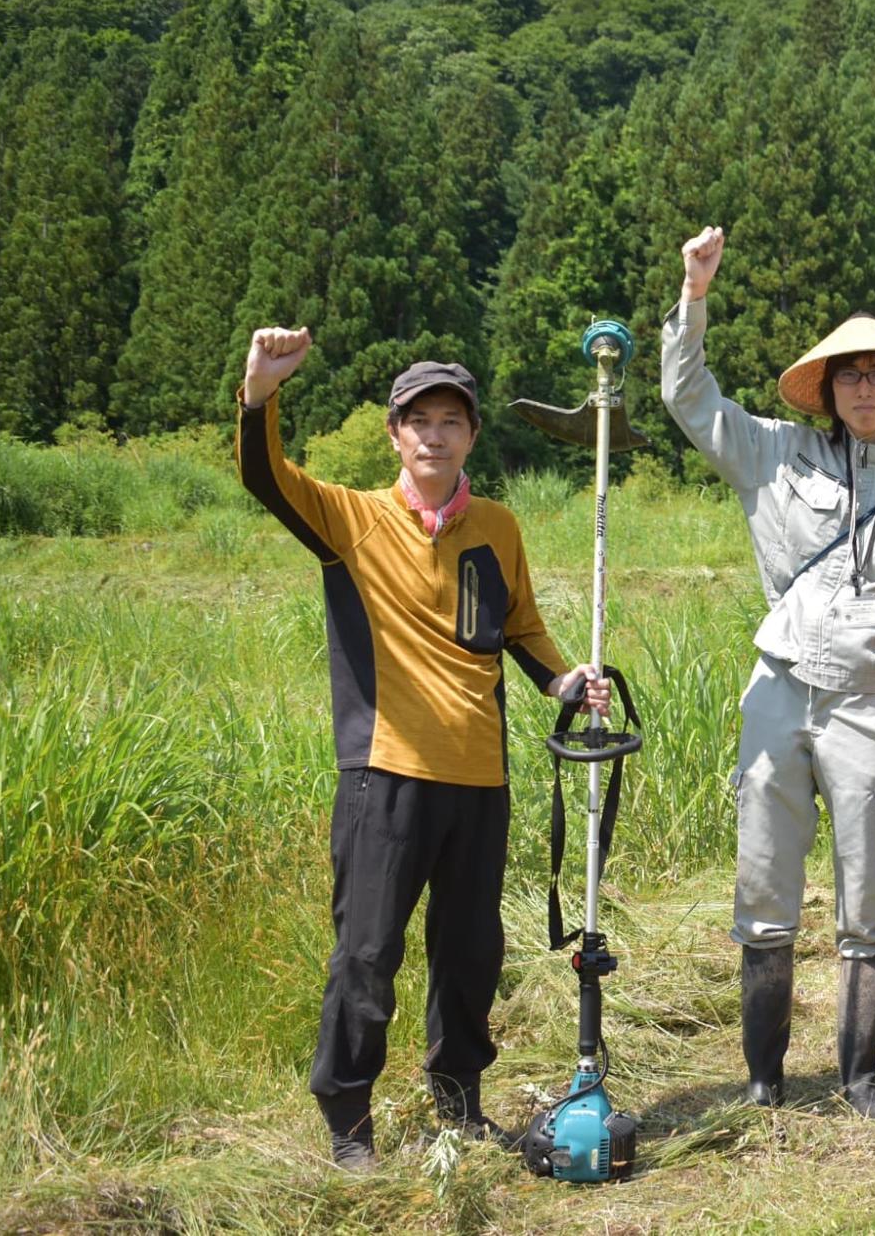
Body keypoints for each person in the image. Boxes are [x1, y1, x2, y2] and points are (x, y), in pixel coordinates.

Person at [237, 331, 611, 1170]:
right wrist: (260, 394)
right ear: (394, 433)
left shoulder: (498, 528)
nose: (435, 435)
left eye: (451, 421)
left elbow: (519, 629)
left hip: (481, 777)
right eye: (419, 421)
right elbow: (268, 479)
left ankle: (459, 1100)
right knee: (367, 954)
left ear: (472, 435)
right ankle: (348, 1120)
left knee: (471, 953)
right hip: (386, 774)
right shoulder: (351, 520)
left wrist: (565, 681)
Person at [659, 226, 875, 1118]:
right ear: (827, 390)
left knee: (870, 892)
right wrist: (695, 292)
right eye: (849, 375)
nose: (864, 387)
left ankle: (861, 1071)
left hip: (871, 705)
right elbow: (687, 394)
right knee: (763, 882)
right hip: (779, 691)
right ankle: (763, 1075)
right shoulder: (774, 453)